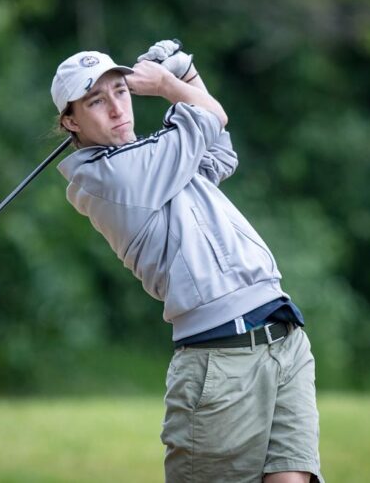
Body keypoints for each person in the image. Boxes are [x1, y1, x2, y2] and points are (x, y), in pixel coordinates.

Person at [50, 40, 324, 483]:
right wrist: (169, 81)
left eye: (121, 91)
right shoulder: (107, 178)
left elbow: (218, 151)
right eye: (96, 101)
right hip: (219, 360)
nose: (117, 108)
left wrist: (186, 73)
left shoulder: (159, 158)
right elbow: (211, 116)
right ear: (70, 121)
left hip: (284, 339)